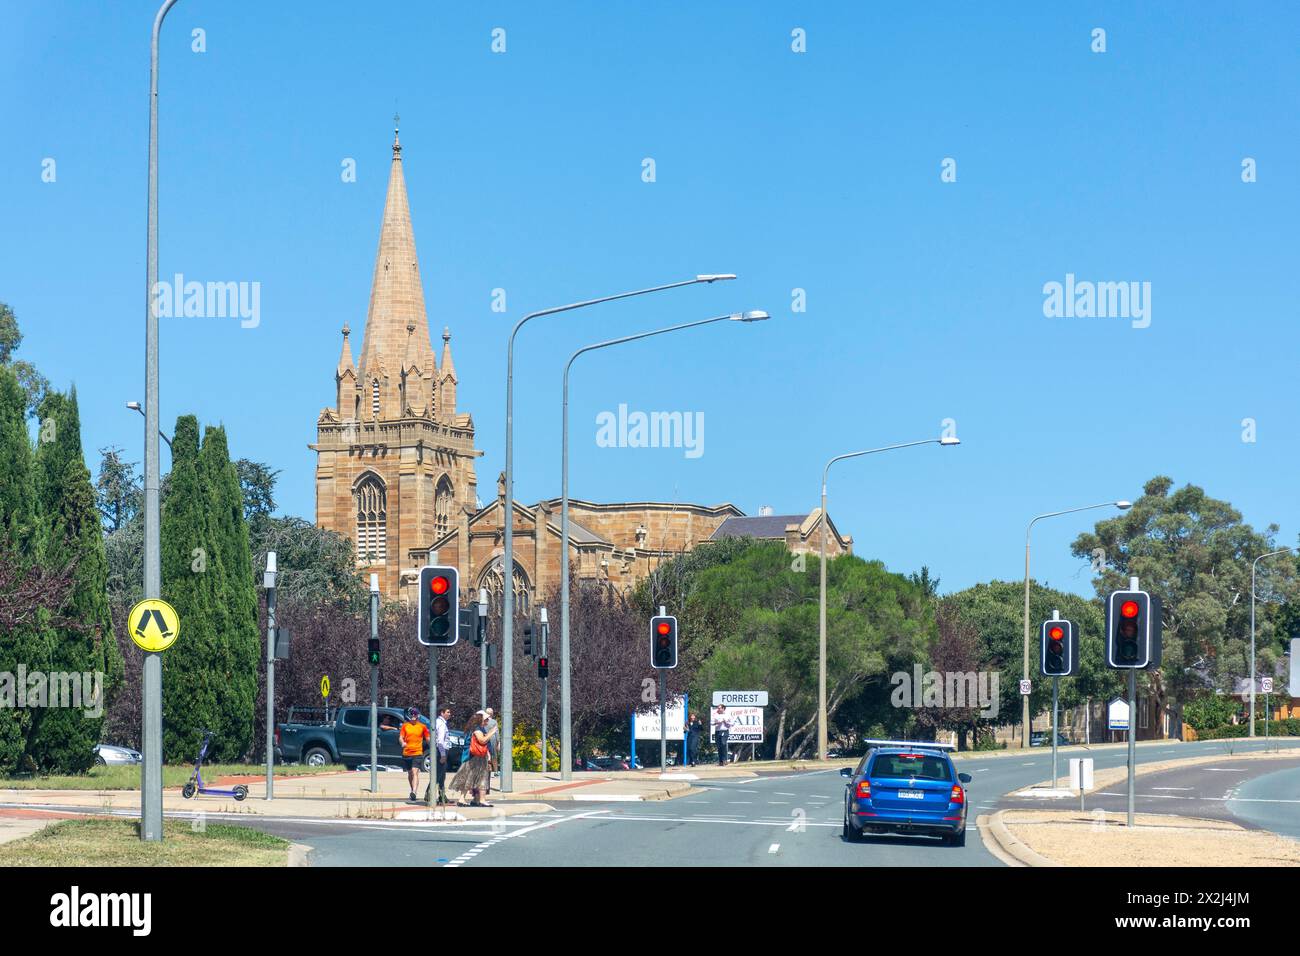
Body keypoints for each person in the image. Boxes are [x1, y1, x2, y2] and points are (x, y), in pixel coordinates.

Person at [450, 712, 496, 807]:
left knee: (471, 778)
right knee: (474, 777)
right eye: (485, 720)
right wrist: (491, 733)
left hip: (475, 756)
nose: (487, 721)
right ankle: (476, 800)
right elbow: (482, 740)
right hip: (474, 757)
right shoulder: (477, 730)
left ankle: (471, 799)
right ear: (480, 720)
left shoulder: (476, 728)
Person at [399, 707, 431, 801]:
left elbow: (427, 738)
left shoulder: (422, 727)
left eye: (415, 714)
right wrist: (402, 743)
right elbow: (400, 737)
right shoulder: (405, 726)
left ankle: (414, 792)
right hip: (407, 752)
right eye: (412, 714)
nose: (413, 716)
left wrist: (433, 746)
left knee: (415, 771)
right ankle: (412, 790)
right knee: (410, 773)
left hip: (417, 752)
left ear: (418, 715)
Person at [433, 704, 452, 804]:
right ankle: (429, 796)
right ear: (442, 713)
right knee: (438, 776)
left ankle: (442, 796)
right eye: (448, 712)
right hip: (441, 751)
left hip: (441, 751)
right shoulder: (441, 724)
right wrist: (443, 754)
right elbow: (440, 741)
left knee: (441, 776)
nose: (449, 714)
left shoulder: (440, 722)